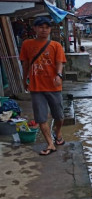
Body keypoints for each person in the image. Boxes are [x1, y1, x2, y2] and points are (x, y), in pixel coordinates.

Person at [19, 16, 66, 156]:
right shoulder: (27, 44)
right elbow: (25, 64)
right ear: (35, 29)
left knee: (59, 116)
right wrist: (24, 79)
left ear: (50, 29)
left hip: (53, 85)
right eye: (41, 27)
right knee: (41, 117)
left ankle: (57, 132)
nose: (44, 30)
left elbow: (60, 63)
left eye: (47, 27)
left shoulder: (56, 45)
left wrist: (59, 75)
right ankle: (50, 144)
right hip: (36, 87)